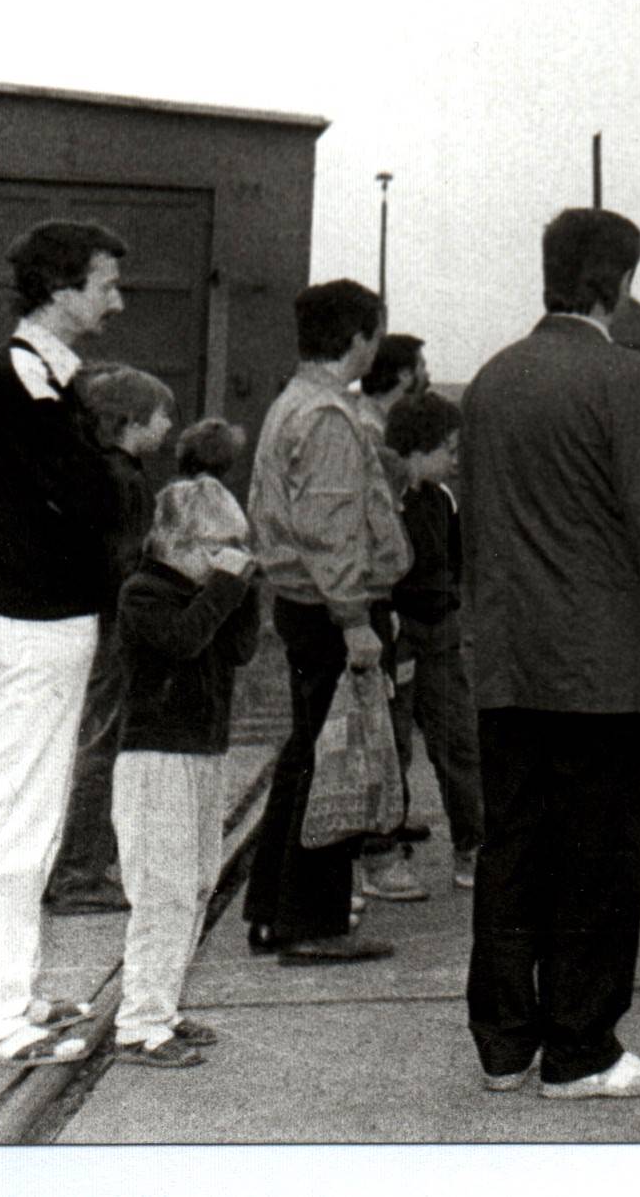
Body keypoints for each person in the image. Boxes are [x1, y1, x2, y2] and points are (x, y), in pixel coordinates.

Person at [461, 207, 640, 1101]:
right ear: (620, 283)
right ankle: (580, 1051)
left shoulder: (489, 381)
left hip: (508, 662)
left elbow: (478, 529)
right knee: (596, 860)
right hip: (601, 669)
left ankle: (503, 1045)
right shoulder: (625, 378)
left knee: (512, 848)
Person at [0, 219, 128, 1067]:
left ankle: (12, 991)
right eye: (105, 285)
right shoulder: (19, 382)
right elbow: (85, 499)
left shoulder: (47, 379)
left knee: (34, 817)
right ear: (61, 290)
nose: (116, 302)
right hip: (32, 622)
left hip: (45, 617)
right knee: (13, 820)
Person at [242, 279, 410, 963]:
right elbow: (332, 529)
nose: (376, 347)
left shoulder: (292, 402)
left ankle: (271, 910)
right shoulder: (331, 417)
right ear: (358, 339)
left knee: (306, 757)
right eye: (376, 334)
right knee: (334, 763)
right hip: (328, 609)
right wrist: (355, 619)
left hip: (301, 602)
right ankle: (312, 925)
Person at [109, 476, 260, 1069]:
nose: (223, 560)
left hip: (201, 753)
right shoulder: (144, 593)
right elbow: (184, 642)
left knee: (197, 882)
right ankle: (138, 1024)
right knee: (163, 889)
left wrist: (244, 593)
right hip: (156, 757)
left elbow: (240, 649)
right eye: (216, 547)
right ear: (179, 541)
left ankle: (163, 1006)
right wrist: (226, 588)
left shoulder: (206, 594)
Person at [44, 363, 177, 916]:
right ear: (132, 420)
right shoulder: (124, 480)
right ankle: (79, 874)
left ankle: (72, 863)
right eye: (162, 416)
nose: (168, 426)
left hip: (88, 621)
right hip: (116, 629)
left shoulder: (96, 471)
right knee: (103, 745)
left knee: (88, 741)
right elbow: (126, 564)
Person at [383, 391, 482, 892]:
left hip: (439, 634)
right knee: (393, 746)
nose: (456, 460)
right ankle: (384, 851)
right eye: (450, 449)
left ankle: (472, 847)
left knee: (459, 742)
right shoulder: (385, 499)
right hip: (397, 636)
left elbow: (455, 562)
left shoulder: (443, 500)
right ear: (420, 448)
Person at [355, 331, 433, 898]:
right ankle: (374, 849)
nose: (425, 374)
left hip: (383, 600)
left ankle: (386, 821)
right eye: (420, 366)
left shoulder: (375, 424)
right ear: (404, 374)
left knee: (387, 719)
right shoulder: (368, 431)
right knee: (372, 725)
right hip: (370, 599)